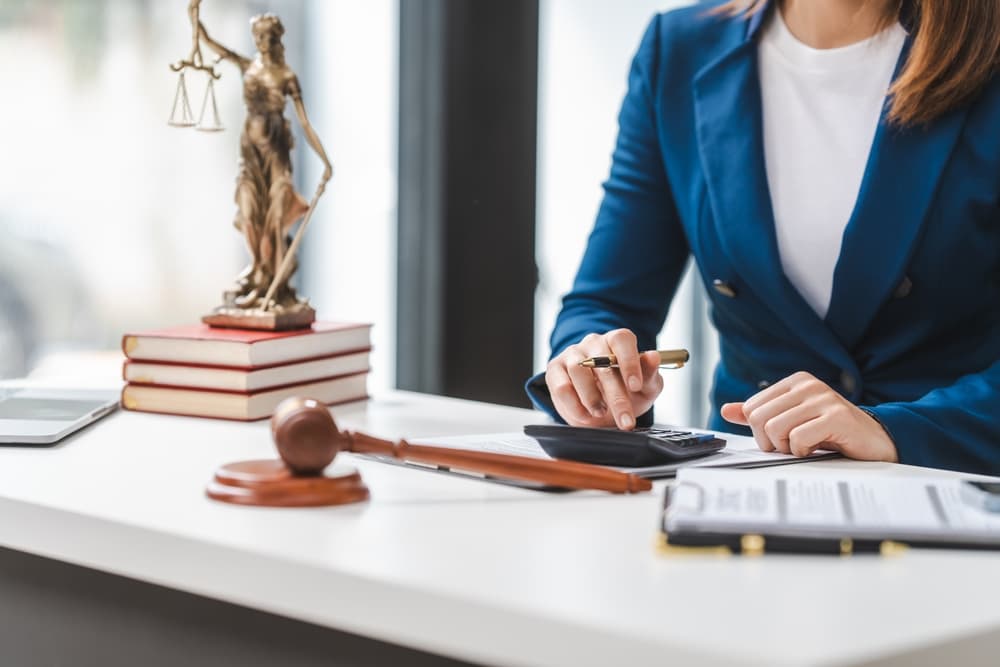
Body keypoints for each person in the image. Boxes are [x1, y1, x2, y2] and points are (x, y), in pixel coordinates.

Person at [526, 0, 1000, 475]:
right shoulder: (680, 47)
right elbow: (607, 299)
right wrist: (592, 373)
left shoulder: (987, 50)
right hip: (741, 485)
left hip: (950, 484)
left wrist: (896, 429)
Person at [198, 12, 332, 310]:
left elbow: (305, 123)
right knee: (248, 213)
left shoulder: (287, 76)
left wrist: (325, 161)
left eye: (268, 36)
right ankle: (259, 272)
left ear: (278, 38)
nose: (262, 42)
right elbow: (211, 43)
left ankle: (273, 281)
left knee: (275, 215)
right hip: (250, 152)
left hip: (276, 152)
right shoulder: (248, 67)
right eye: (258, 37)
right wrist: (195, 15)